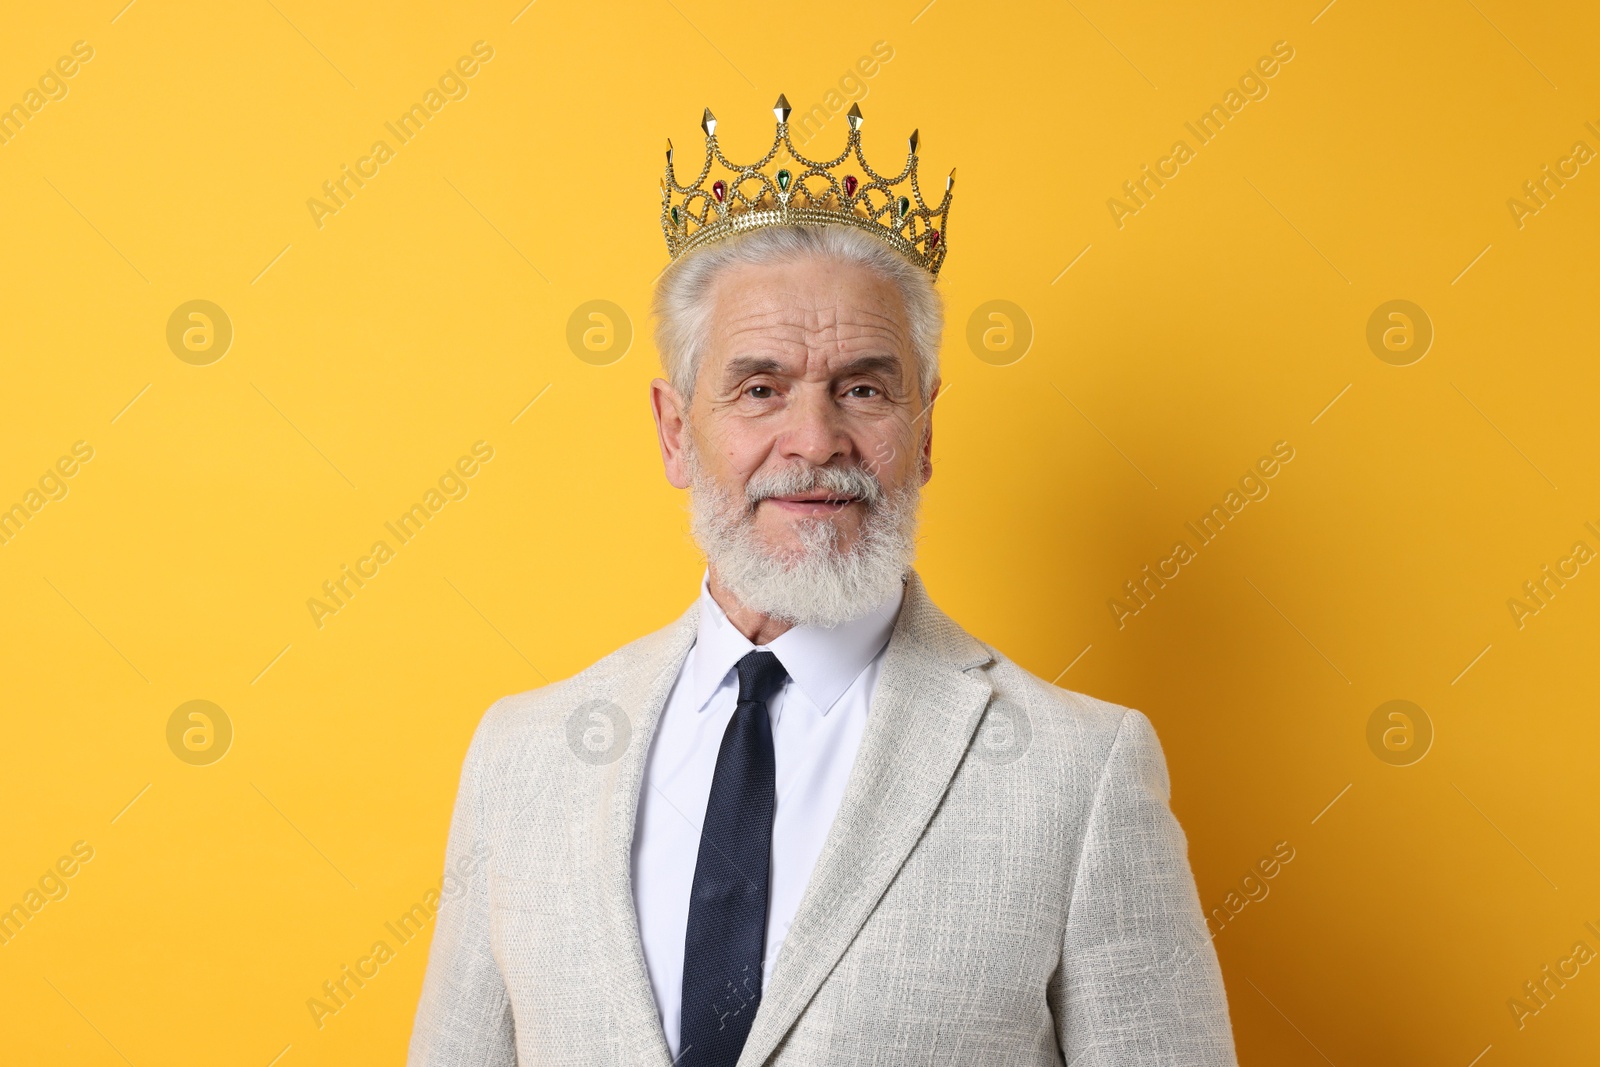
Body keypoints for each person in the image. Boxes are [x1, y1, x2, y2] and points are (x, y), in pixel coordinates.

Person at [408, 98, 1236, 1067]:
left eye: (862, 387)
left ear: (923, 431)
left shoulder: (1080, 774)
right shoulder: (523, 756)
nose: (814, 440)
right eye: (759, 388)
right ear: (676, 430)